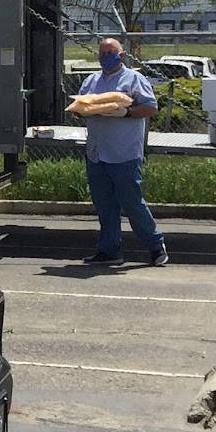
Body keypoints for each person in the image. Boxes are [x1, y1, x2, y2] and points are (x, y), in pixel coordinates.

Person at [79, 37, 167, 266]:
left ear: (122, 55)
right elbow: (80, 105)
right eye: (102, 54)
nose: (106, 57)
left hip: (124, 152)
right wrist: (83, 110)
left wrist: (126, 113)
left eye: (111, 53)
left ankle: (155, 245)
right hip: (97, 152)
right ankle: (110, 250)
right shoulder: (91, 81)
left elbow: (151, 107)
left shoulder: (134, 79)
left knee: (132, 202)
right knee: (104, 204)